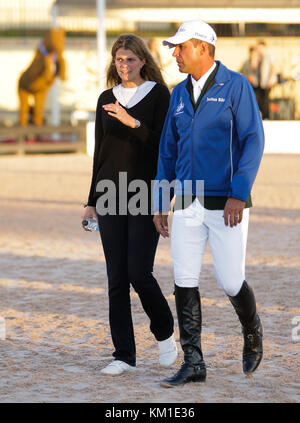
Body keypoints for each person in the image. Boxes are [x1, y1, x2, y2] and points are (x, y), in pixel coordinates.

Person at [153, 20, 264, 388]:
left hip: (227, 202)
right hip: (185, 201)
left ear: (203, 48)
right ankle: (194, 362)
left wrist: (238, 192)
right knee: (184, 279)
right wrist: (159, 200)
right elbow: (168, 150)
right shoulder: (178, 93)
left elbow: (253, 140)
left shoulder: (236, 87)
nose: (175, 54)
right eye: (174, 48)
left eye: (181, 47)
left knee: (230, 280)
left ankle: (251, 330)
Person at [82, 34, 177, 376]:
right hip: (109, 194)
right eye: (119, 60)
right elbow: (100, 152)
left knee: (139, 272)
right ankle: (124, 355)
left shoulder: (158, 95)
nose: (124, 66)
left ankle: (165, 330)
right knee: (116, 279)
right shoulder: (105, 98)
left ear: (144, 62)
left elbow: (163, 148)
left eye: (130, 60)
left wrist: (131, 122)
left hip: (144, 193)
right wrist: (91, 200)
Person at [255, 40, 276, 119]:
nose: (259, 50)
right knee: (259, 99)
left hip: (267, 81)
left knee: (266, 100)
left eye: (260, 48)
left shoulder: (269, 55)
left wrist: (270, 79)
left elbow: (273, 67)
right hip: (259, 82)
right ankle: (260, 116)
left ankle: (266, 116)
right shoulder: (258, 57)